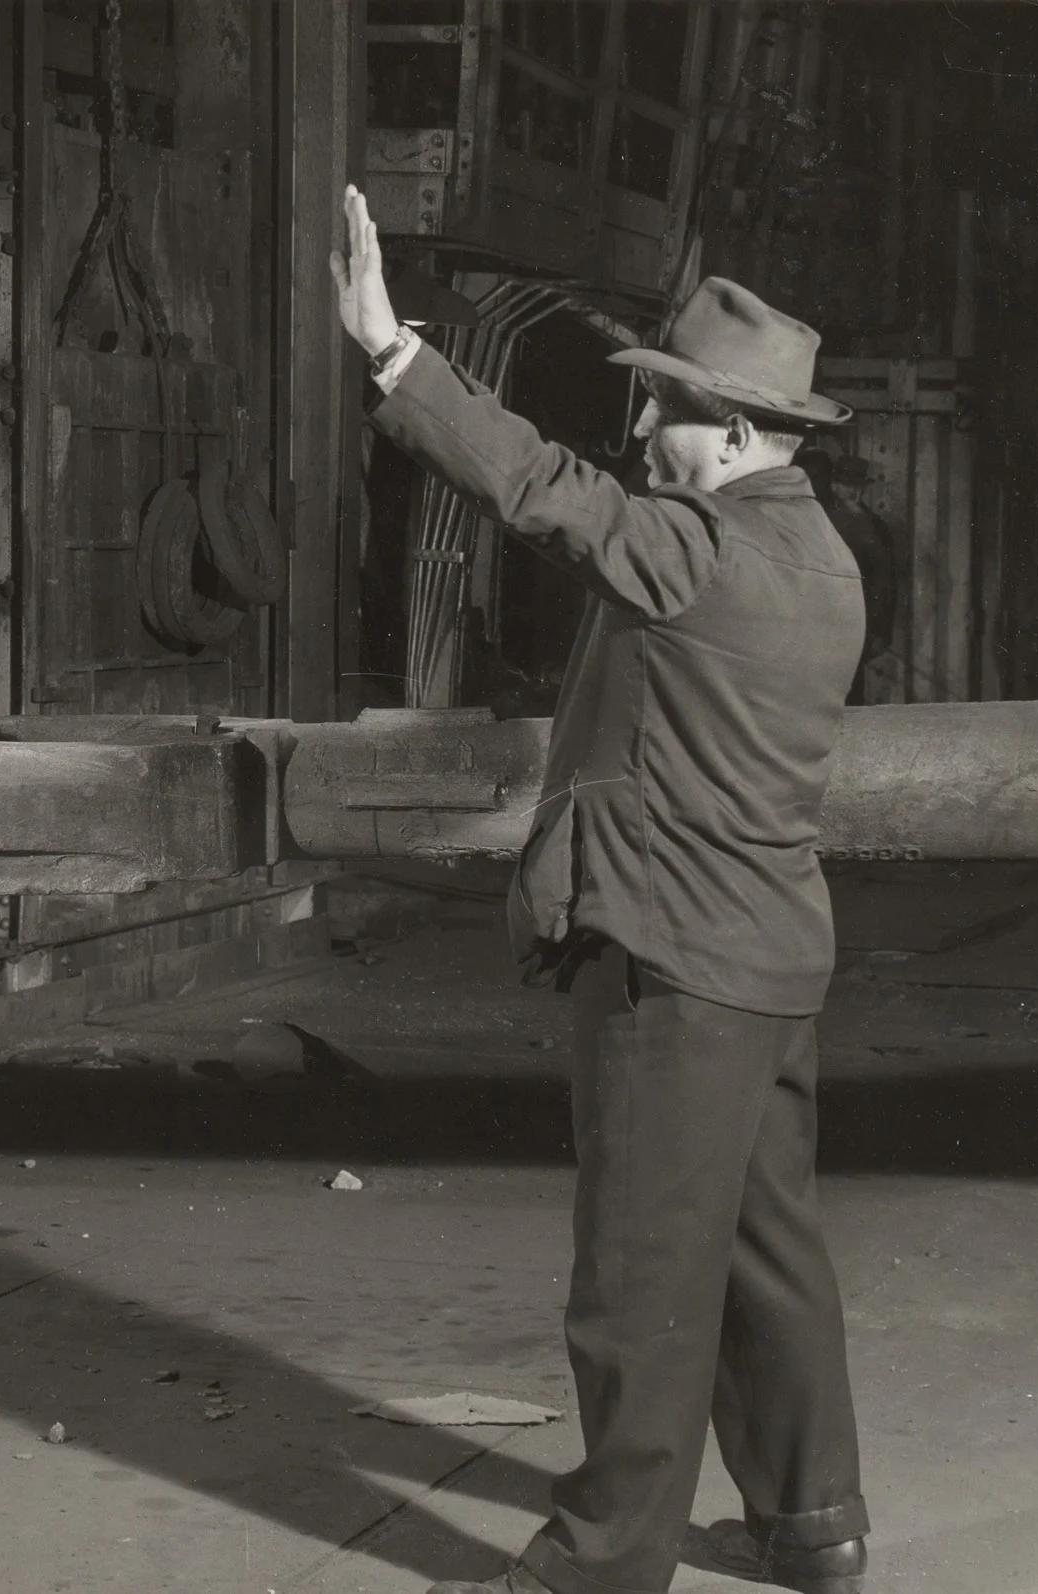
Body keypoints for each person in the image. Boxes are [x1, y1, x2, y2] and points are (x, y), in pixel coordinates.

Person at [328, 185, 870, 1594]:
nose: (641, 431)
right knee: (767, 1252)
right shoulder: (824, 560)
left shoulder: (697, 553)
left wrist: (392, 351)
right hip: (772, 966)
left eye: (667, 408)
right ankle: (811, 1522)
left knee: (640, 1280)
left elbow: (539, 490)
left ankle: (602, 1563)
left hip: (674, 967)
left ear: (736, 433)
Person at [798, 448, 898, 703]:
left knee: (851, 694)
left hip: (860, 623)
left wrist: (879, 631)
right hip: (822, 624)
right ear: (834, 485)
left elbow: (886, 582)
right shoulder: (820, 522)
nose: (853, 492)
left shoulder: (876, 527)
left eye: (858, 486)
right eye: (846, 485)